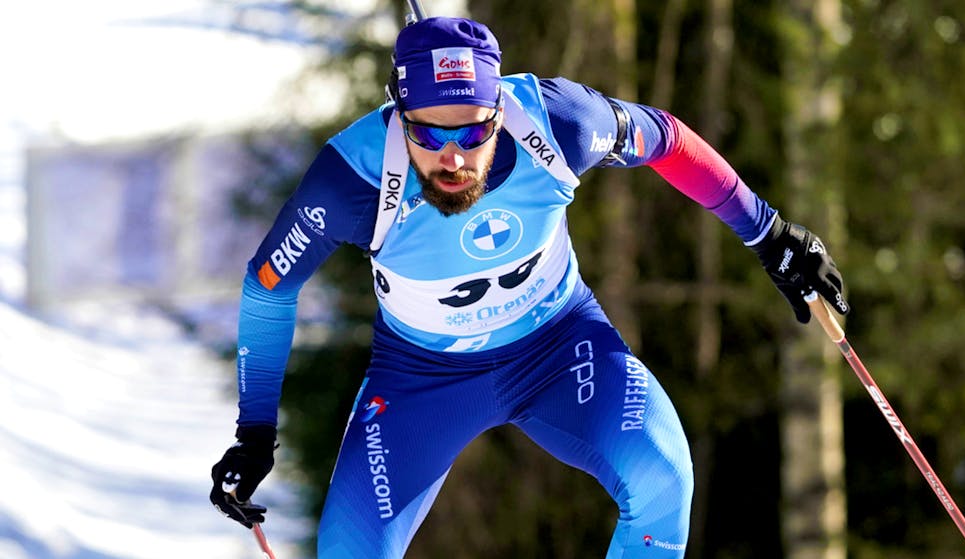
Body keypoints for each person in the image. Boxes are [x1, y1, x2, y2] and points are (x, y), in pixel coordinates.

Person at [210, 16, 849, 559]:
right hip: (421, 380)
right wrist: (255, 432)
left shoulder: (559, 123)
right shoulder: (352, 178)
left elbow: (666, 138)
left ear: (499, 111)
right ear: (396, 113)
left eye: (473, 132)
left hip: (560, 347)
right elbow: (269, 288)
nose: (453, 158)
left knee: (663, 477)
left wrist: (768, 232)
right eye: (428, 134)